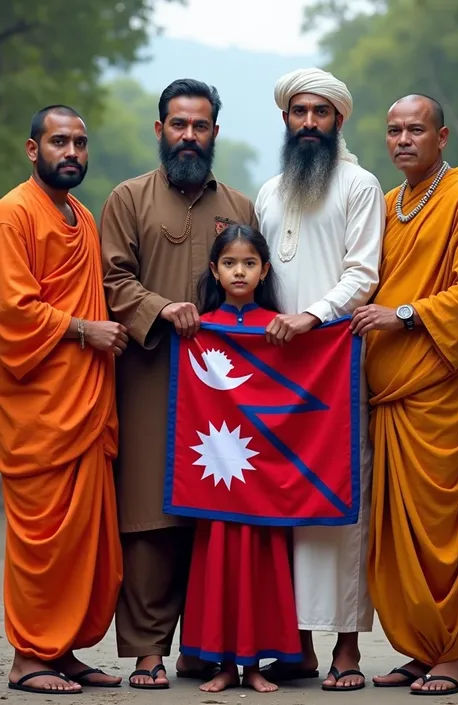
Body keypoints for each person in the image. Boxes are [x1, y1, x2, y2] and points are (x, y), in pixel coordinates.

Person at [100, 79, 259, 690]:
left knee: (215, 513)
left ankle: (205, 645)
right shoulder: (128, 198)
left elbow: (257, 289)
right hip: (150, 377)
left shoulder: (240, 207)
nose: (188, 135)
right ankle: (148, 651)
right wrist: (162, 309)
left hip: (222, 391)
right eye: (177, 124)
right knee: (149, 515)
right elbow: (112, 281)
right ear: (160, 129)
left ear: (215, 132)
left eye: (199, 126)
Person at [255, 68, 386, 691]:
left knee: (341, 500)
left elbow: (363, 275)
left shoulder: (361, 185)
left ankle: (348, 650)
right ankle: (297, 646)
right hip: (277, 372)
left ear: (339, 121)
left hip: (337, 364)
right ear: (285, 119)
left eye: (321, 113)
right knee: (285, 502)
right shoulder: (267, 192)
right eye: (299, 112)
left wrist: (312, 316)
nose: (309, 122)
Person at [0, 105, 126, 695]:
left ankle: (65, 649)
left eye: (79, 142)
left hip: (87, 404)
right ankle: (29, 659)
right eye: (58, 142)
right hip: (40, 412)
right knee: (42, 540)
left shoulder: (82, 215)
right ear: (33, 150)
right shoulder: (13, 214)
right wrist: (83, 330)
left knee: (82, 542)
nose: (71, 152)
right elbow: (12, 310)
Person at [351, 94, 458, 696]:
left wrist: (404, 314)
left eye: (416, 130)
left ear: (442, 136)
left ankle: (450, 655)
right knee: (395, 534)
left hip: (438, 392)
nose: (403, 139)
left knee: (438, 529)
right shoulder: (389, 203)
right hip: (387, 396)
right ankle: (418, 651)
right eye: (394, 129)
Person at [180, 224, 301, 694]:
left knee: (260, 562)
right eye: (229, 262)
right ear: (215, 269)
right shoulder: (201, 327)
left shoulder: (277, 325)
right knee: (221, 559)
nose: (239, 271)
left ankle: (254, 666)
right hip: (220, 474)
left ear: (264, 270)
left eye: (249, 263)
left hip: (262, 472)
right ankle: (224, 665)